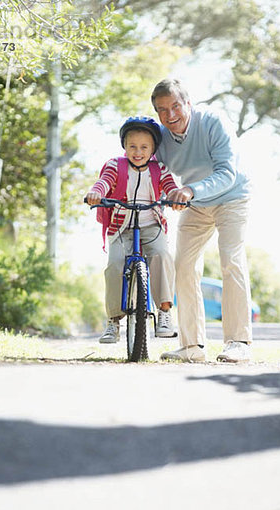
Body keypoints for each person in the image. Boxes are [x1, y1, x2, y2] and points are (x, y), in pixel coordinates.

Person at [151, 79, 252, 363]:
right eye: (162, 110)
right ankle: (191, 346)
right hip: (195, 203)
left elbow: (226, 173)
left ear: (188, 104)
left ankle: (238, 342)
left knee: (230, 259)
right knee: (182, 265)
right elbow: (152, 170)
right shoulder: (161, 137)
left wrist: (190, 190)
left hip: (232, 196)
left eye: (175, 106)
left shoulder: (213, 123)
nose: (170, 116)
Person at [86, 116, 179, 343]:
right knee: (115, 265)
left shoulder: (160, 169)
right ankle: (113, 322)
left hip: (151, 226)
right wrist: (96, 192)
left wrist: (177, 196)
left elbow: (171, 187)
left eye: (144, 147)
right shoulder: (114, 165)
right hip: (120, 227)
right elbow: (104, 182)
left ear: (153, 149)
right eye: (132, 146)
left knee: (162, 256)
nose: (138, 152)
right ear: (124, 147)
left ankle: (165, 312)